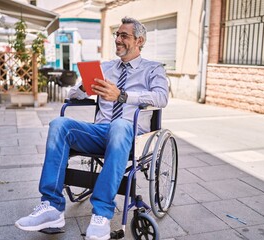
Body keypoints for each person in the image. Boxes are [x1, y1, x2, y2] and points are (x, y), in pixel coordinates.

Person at [15, 17, 169, 240]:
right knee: (60, 124)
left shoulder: (152, 69)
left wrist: (123, 96)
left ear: (139, 40)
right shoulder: (105, 67)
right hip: (101, 132)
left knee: (119, 126)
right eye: (117, 35)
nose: (117, 39)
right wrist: (83, 88)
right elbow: (71, 96)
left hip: (132, 134)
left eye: (123, 35)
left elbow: (161, 97)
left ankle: (102, 215)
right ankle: (52, 207)